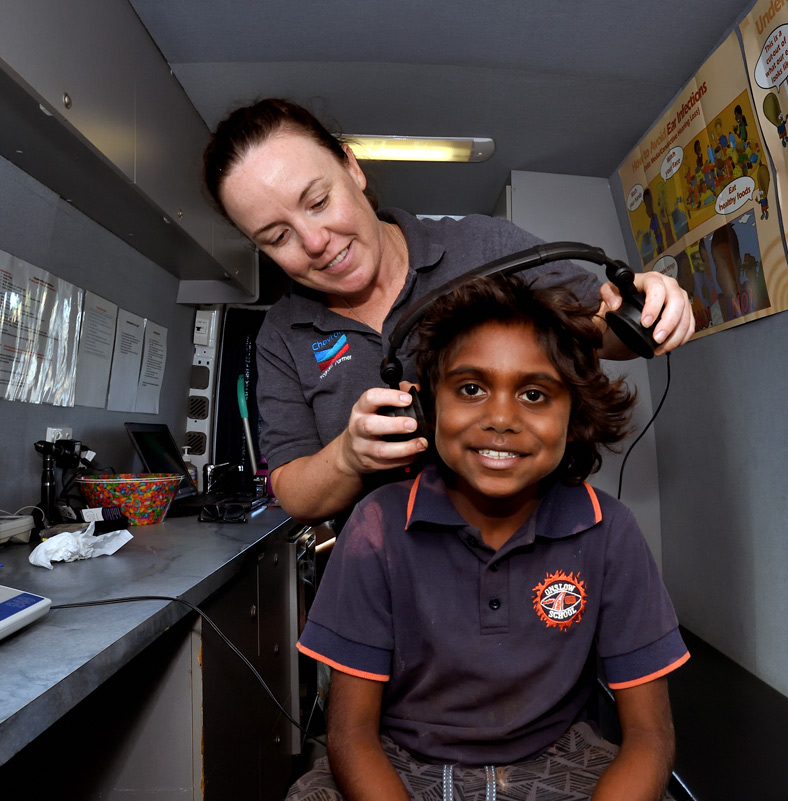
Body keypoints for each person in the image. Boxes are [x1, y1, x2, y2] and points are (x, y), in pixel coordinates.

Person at [289, 274, 688, 801]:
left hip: (561, 759)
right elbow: (350, 734)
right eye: (471, 389)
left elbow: (650, 737)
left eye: (535, 394)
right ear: (428, 406)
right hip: (399, 763)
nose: (501, 418)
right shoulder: (376, 526)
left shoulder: (609, 530)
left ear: (575, 415)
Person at [202, 99, 696, 523]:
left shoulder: (487, 245)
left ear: (352, 167)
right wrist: (348, 457)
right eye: (278, 237)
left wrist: (650, 308)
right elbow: (293, 489)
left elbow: (601, 329)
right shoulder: (281, 334)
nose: (314, 242)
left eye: (318, 201)